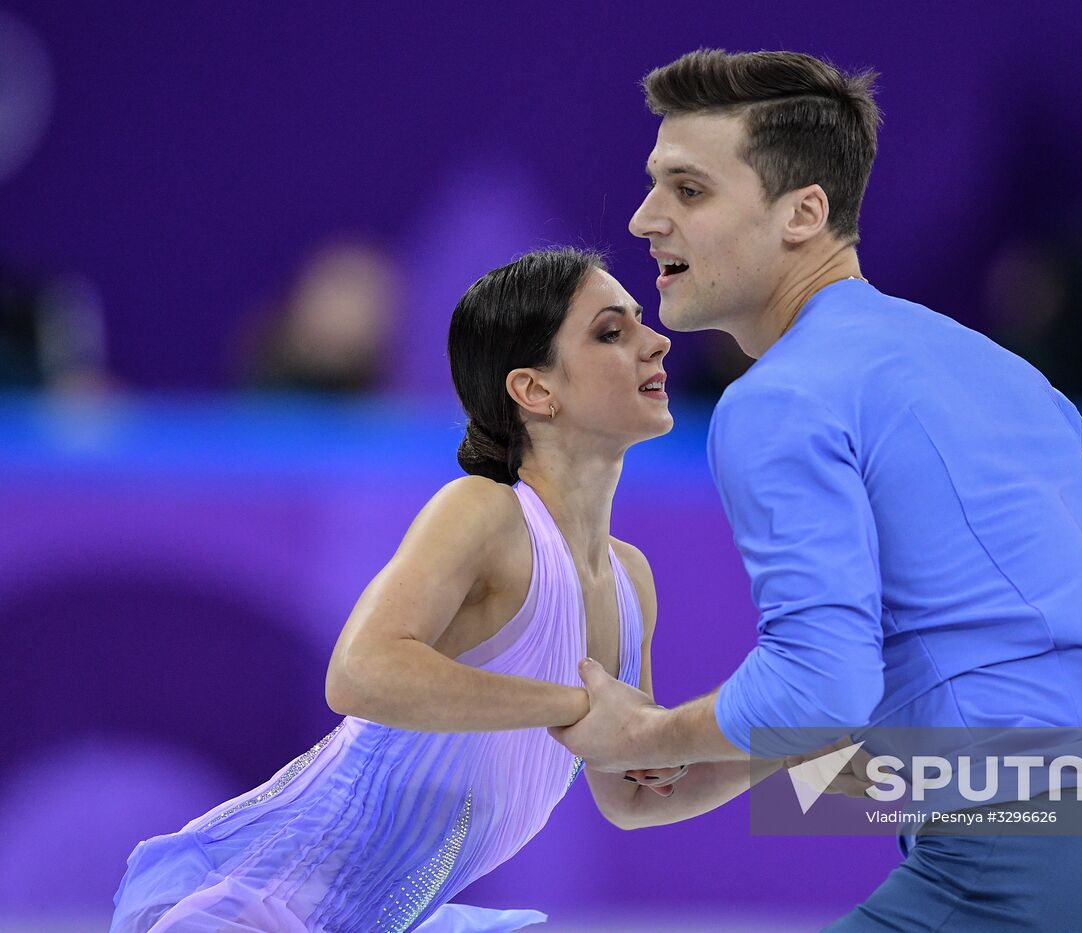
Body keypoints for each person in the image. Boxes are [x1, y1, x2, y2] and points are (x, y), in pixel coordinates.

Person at [549, 50, 1082, 931]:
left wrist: (645, 738)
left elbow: (818, 683)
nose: (644, 218)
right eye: (654, 185)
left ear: (803, 214)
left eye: (688, 191)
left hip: (1034, 859)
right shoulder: (1006, 371)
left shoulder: (779, 397)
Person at [109, 249, 762, 933]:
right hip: (263, 910)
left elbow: (635, 790)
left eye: (639, 323)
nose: (656, 340)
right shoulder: (483, 512)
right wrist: (578, 703)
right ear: (535, 391)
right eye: (610, 331)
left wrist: (806, 753)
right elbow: (359, 671)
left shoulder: (632, 580)